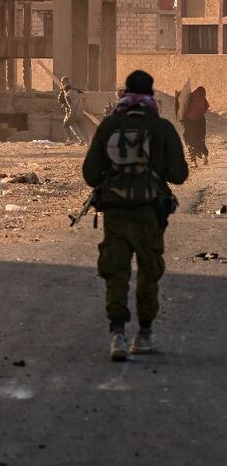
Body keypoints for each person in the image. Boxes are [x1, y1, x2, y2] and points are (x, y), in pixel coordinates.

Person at [82, 70, 188, 362]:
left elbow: (90, 175)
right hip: (149, 211)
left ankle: (117, 332)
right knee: (149, 270)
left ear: (124, 94)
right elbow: (179, 174)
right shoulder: (162, 127)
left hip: (115, 211)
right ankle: (144, 334)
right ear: (151, 96)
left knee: (116, 270)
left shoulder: (109, 126)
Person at [181, 86, 210, 167]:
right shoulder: (203, 99)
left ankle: (194, 163)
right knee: (201, 140)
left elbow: (183, 107)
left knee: (188, 140)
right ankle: (205, 157)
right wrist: (200, 114)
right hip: (200, 122)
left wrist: (182, 119)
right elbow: (207, 106)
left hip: (189, 122)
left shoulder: (191, 97)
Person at [60, 77, 87, 145]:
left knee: (67, 124)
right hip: (75, 110)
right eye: (62, 82)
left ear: (67, 82)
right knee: (74, 125)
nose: (62, 83)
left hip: (73, 111)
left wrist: (71, 112)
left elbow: (73, 103)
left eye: (63, 82)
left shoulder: (70, 91)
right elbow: (61, 99)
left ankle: (72, 139)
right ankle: (82, 140)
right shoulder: (64, 90)